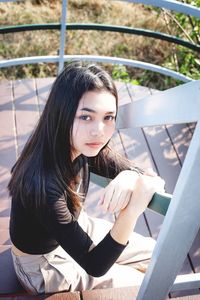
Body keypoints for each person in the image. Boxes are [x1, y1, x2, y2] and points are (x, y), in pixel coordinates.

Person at [8, 61, 165, 295]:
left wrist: (129, 176)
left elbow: (149, 178)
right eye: (86, 117)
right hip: (44, 264)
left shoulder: (83, 145)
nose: (99, 130)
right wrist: (132, 210)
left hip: (76, 227)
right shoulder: (42, 183)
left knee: (158, 253)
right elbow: (96, 265)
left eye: (108, 117)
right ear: (62, 114)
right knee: (143, 284)